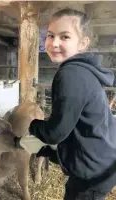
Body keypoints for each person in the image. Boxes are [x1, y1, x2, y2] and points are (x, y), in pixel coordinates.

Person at [28, 8, 116, 200]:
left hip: (93, 170)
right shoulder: (85, 71)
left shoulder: (70, 74)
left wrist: (34, 126)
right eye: (50, 35)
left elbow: (55, 133)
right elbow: (75, 126)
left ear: (82, 43)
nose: (54, 43)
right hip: (103, 158)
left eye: (65, 36)